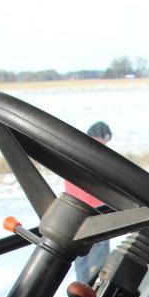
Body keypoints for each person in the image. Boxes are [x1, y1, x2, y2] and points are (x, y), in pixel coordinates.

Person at [65, 121, 113, 284]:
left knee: (82, 259)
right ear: (97, 138)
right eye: (104, 142)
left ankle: (82, 292)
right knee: (98, 261)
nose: (105, 146)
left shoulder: (74, 154)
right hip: (96, 215)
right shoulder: (97, 158)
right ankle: (93, 292)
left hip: (76, 215)